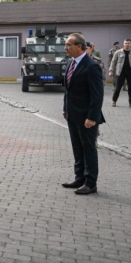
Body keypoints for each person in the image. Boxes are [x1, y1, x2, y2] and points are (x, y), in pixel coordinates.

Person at [61, 33, 104, 195]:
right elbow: (68, 89)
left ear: (79, 46)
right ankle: (79, 178)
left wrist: (92, 117)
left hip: (87, 118)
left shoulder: (91, 66)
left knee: (88, 149)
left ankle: (90, 182)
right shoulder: (71, 63)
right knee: (77, 148)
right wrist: (65, 108)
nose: (66, 48)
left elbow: (97, 95)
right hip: (72, 115)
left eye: (68, 45)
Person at [108, 39, 131, 107]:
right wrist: (111, 71)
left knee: (130, 88)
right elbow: (113, 62)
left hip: (130, 73)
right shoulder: (118, 52)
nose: (127, 44)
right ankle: (114, 101)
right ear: (123, 44)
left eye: (128, 43)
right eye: (126, 43)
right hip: (120, 72)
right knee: (118, 88)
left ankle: (130, 102)